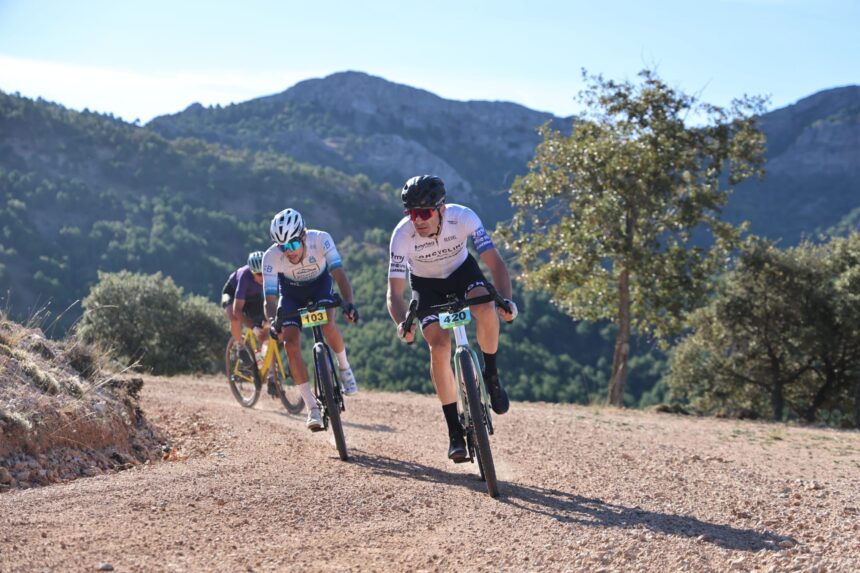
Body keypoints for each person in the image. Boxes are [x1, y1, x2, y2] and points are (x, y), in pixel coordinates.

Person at [386, 175, 518, 462]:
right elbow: (394, 293)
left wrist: (506, 301)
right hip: (426, 285)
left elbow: (495, 264)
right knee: (439, 346)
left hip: (463, 274)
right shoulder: (401, 236)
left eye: (424, 212)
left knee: (485, 307)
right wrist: (401, 323)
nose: (417, 220)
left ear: (441, 209)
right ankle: (454, 432)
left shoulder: (464, 218)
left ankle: (491, 375)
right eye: (412, 213)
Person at [262, 208, 360, 431]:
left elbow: (338, 273)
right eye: (283, 247)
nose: (289, 252)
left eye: (293, 245)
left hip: (320, 287)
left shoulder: (321, 240)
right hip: (291, 294)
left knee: (328, 324)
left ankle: (344, 369)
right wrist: (272, 321)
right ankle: (312, 408)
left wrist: (349, 304)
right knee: (290, 343)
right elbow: (269, 298)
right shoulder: (271, 257)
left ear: (303, 236)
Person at [222, 251, 268, 368]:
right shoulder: (244, 276)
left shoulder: (270, 274)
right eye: (259, 274)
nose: (262, 277)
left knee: (264, 328)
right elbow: (237, 311)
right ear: (252, 272)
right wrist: (253, 327)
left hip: (253, 297)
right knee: (234, 318)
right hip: (231, 293)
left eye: (264, 273)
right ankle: (240, 347)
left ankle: (264, 365)